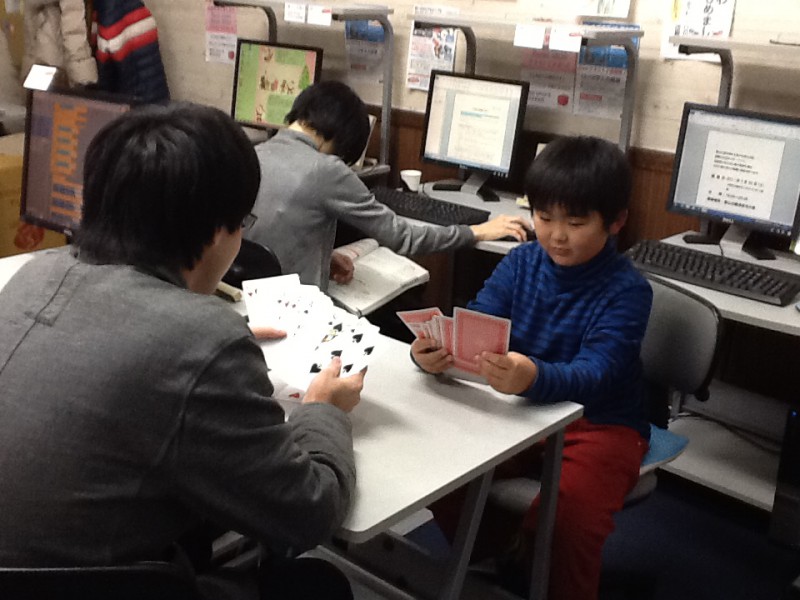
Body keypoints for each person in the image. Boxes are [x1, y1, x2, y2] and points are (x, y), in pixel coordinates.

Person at [0, 102, 365, 600]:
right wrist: (323, 412)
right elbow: (310, 514)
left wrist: (201, 338)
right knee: (317, 584)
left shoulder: (34, 274)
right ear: (218, 231)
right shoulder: (203, 341)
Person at [410, 135, 653, 600]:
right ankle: (507, 556)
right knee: (441, 469)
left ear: (616, 221)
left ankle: (546, 569)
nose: (557, 235)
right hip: (521, 408)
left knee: (567, 521)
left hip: (601, 422)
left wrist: (534, 377)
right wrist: (432, 352)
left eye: (576, 222)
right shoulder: (522, 262)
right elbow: (478, 320)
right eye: (544, 217)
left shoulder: (627, 290)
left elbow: (597, 373)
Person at [246, 80, 530, 291]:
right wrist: (475, 232)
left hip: (248, 297)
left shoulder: (255, 153)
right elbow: (403, 238)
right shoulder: (326, 169)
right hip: (296, 309)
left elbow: (269, 232)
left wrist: (322, 258)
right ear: (342, 140)